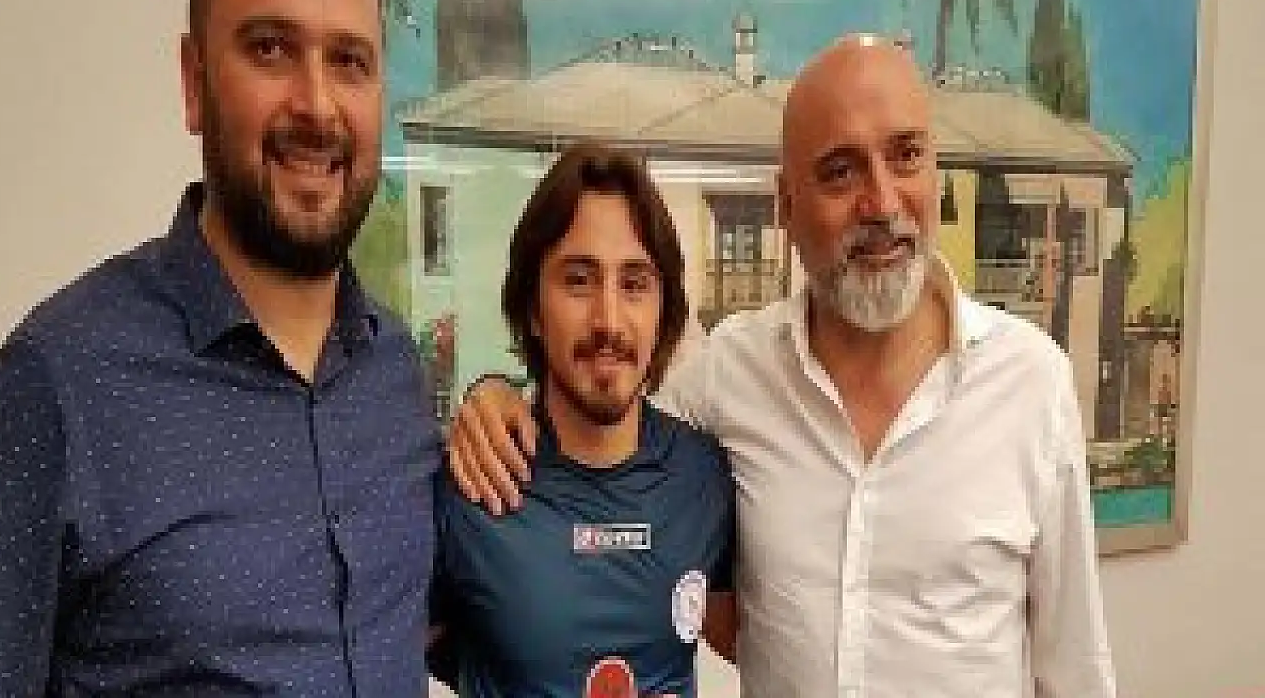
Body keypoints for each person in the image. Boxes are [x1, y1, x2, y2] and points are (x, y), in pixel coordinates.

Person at [445, 35, 1117, 697]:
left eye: (906, 155)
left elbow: (1076, 673)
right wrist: (496, 396)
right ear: (786, 206)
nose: (882, 203)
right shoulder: (727, 377)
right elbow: (604, 396)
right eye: (840, 171)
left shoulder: (1032, 384)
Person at [0, 0, 440, 695]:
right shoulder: (53, 387)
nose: (317, 106)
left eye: (349, 61)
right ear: (195, 84)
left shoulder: (395, 373)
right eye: (271, 49)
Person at [429, 142, 737, 697]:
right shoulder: (472, 482)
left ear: (663, 310)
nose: (608, 321)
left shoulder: (707, 479)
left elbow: (761, 636)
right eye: (578, 279)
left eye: (634, 283)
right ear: (532, 308)